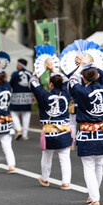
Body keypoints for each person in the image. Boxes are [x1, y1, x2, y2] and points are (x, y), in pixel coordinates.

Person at [68, 57, 103, 205]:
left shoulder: (81, 91)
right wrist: (92, 64)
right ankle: (94, 195)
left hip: (87, 135)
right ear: (97, 75)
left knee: (89, 166)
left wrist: (81, 66)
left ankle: (95, 198)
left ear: (83, 77)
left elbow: (72, 81)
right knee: (99, 165)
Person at [29, 61, 72, 190]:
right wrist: (53, 70)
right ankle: (66, 182)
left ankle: (45, 179)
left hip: (49, 132)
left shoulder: (44, 95)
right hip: (64, 131)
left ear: (51, 84)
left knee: (47, 156)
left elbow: (33, 84)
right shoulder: (66, 93)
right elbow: (65, 81)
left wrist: (36, 72)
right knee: (64, 157)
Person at [10, 59, 33, 140]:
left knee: (13, 113)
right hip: (28, 97)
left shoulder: (15, 74)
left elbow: (11, 85)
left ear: (20, 65)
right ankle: (25, 134)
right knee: (26, 115)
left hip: (16, 96)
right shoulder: (30, 74)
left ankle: (19, 129)